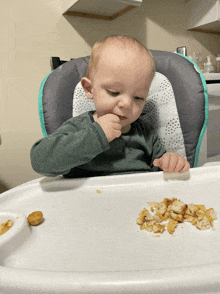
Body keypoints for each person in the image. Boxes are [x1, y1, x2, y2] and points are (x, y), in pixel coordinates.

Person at [30, 35, 190, 178]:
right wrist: (96, 136)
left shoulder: (145, 134)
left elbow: (157, 173)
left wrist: (170, 162)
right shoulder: (79, 128)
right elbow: (40, 161)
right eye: (114, 92)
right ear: (89, 89)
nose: (127, 104)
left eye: (138, 97)